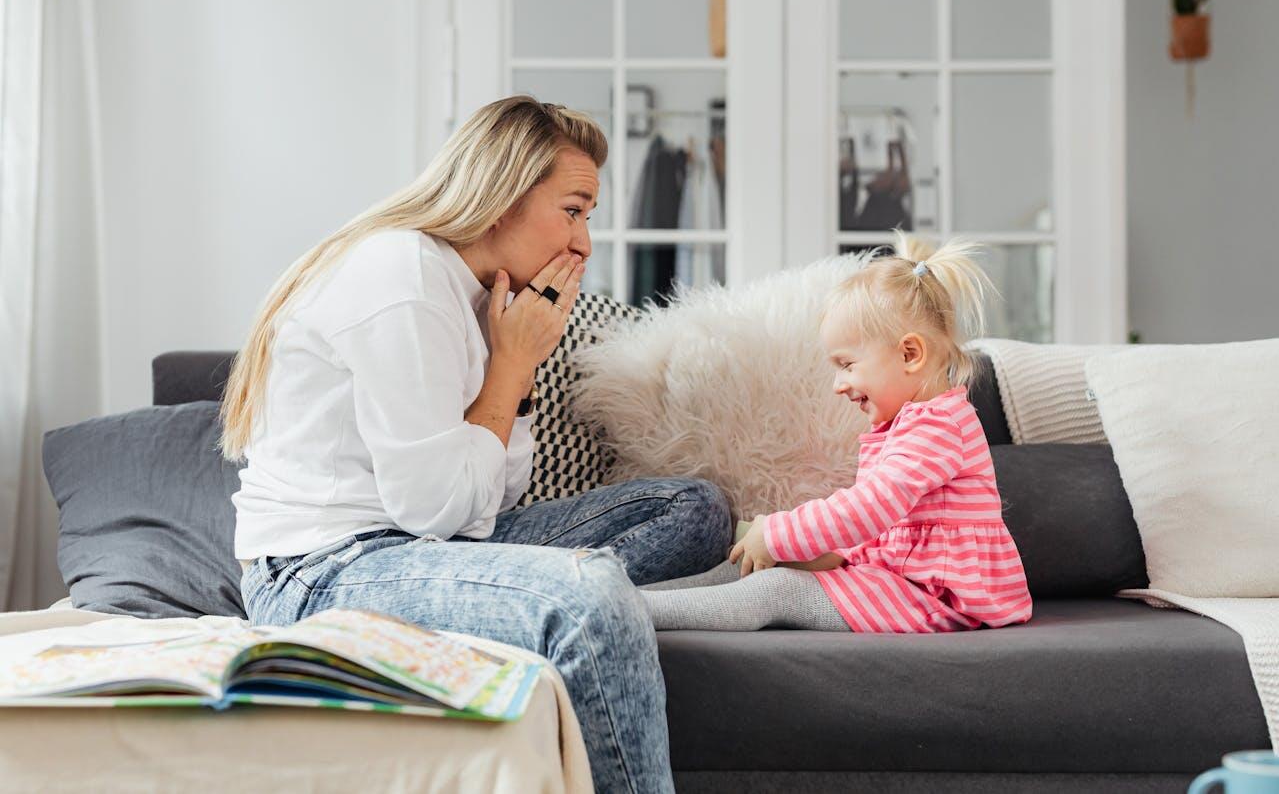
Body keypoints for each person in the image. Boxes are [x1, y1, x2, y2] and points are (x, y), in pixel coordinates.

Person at [220, 95, 732, 793]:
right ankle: (568, 613)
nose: (584, 243)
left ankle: (514, 603)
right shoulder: (401, 280)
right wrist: (513, 365)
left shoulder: (474, 292)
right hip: (323, 569)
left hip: (428, 542)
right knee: (591, 596)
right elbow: (438, 509)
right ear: (501, 199)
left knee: (695, 508)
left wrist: (511, 365)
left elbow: (489, 503)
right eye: (574, 210)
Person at [642, 232, 1032, 634]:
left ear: (910, 354)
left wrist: (780, 534)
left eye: (847, 364)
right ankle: (627, 597)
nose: (838, 384)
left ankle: (635, 609)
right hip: (902, 581)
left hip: (941, 599)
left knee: (775, 589)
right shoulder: (903, 425)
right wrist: (826, 553)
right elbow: (885, 530)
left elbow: (870, 508)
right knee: (757, 565)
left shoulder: (939, 426)